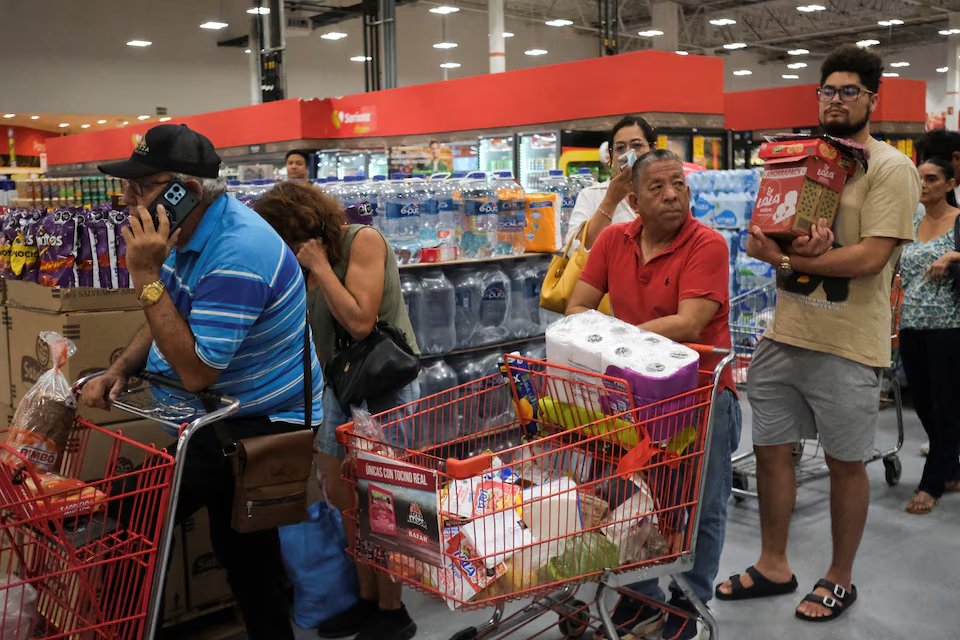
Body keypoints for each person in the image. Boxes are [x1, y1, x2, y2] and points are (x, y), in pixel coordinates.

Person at [81, 124, 323, 640]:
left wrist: (145, 275)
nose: (127, 199)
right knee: (243, 552)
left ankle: (117, 628)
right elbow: (169, 313)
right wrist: (120, 368)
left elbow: (196, 371)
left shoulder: (238, 252)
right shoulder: (185, 234)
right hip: (218, 413)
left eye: (141, 186)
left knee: (141, 512)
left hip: (257, 421)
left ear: (184, 191)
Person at [716, 45, 920, 623]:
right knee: (772, 451)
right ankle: (774, 563)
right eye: (827, 90)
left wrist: (787, 262)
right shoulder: (802, 160)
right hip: (786, 333)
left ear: (872, 99)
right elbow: (768, 235)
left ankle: (839, 577)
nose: (836, 100)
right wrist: (774, 246)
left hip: (847, 343)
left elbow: (871, 258)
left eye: (849, 91)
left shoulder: (890, 169)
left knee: (844, 462)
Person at [568, 149, 741, 640]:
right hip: (633, 397)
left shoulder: (707, 244)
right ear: (635, 200)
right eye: (657, 187)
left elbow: (690, 322)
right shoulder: (612, 240)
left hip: (701, 396)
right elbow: (577, 306)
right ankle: (641, 596)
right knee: (630, 501)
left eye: (678, 185)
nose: (671, 195)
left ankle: (690, 603)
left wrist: (615, 338)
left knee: (700, 507)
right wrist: (617, 344)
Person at [253, 181, 420, 640]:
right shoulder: (298, 263)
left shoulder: (361, 241)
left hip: (383, 385)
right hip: (337, 389)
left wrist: (322, 267)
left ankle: (394, 610)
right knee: (345, 498)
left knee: (384, 501)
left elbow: (361, 321)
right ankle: (366, 599)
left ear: (305, 224)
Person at [897, 156, 960, 514]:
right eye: (920, 178)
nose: (923, 185)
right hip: (910, 324)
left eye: (932, 178)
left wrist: (953, 256)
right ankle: (951, 469)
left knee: (945, 406)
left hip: (949, 327)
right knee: (922, 404)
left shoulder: (959, 221)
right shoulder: (911, 222)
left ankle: (931, 484)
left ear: (950, 184)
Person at [565, 115, 656, 248]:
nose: (628, 154)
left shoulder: (664, 192)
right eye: (620, 148)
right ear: (611, 156)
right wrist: (610, 201)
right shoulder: (591, 195)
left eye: (637, 145)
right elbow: (573, 250)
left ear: (652, 149)